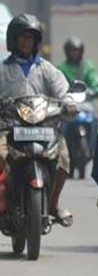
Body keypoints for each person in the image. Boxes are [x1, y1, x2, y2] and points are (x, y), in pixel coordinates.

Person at [0, 13, 74, 226]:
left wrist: (69, 103)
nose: (26, 42)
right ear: (13, 40)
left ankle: (53, 203)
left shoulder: (46, 69)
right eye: (23, 37)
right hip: (8, 129)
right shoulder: (3, 69)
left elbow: (63, 90)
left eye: (30, 38)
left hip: (44, 129)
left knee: (63, 159)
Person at [57, 36, 98, 156]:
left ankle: (95, 148)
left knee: (95, 122)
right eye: (72, 50)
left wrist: (97, 89)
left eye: (77, 50)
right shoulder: (61, 68)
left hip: (85, 103)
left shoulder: (88, 66)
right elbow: (56, 85)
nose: (75, 53)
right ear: (67, 51)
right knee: (60, 124)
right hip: (68, 103)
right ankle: (60, 149)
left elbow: (95, 80)